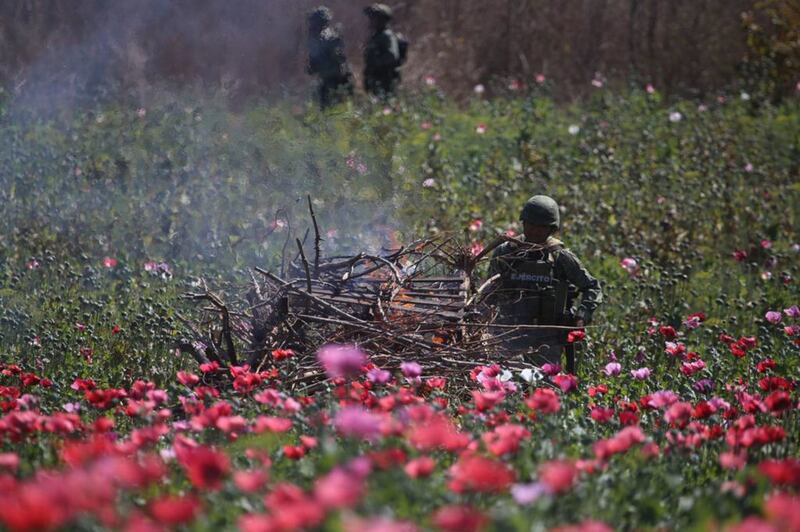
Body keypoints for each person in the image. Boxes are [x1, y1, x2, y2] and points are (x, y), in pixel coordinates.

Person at [487, 195, 602, 367]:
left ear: (552, 229)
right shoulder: (506, 253)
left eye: (540, 227)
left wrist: (581, 316)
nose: (534, 231)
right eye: (530, 225)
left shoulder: (560, 257)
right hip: (509, 335)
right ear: (523, 223)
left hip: (547, 340)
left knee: (544, 388)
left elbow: (592, 287)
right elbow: (490, 290)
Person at [307, 6, 354, 108]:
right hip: (325, 79)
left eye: (314, 21)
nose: (312, 24)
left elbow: (339, 60)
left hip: (334, 80)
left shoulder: (330, 37)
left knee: (334, 109)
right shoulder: (316, 38)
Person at [362, 4, 407, 98]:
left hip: (386, 80)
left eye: (374, 18)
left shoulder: (386, 36)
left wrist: (375, 62)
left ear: (382, 20)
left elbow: (391, 56)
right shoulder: (376, 36)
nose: (371, 21)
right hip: (377, 80)